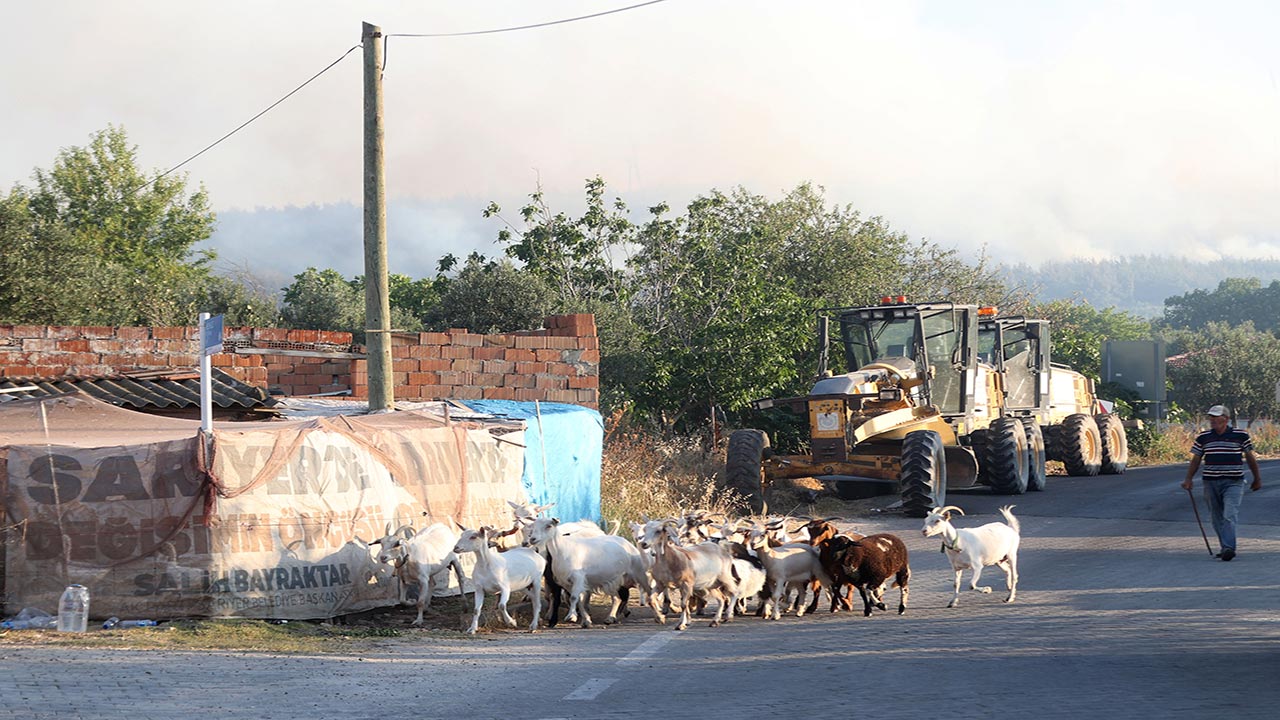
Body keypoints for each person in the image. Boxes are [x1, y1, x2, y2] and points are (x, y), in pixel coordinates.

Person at [1181, 404, 1263, 561]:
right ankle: (1225, 546)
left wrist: (1257, 478)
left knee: (1229, 514)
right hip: (1211, 482)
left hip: (1234, 482)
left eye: (1216, 417)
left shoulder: (1240, 436)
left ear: (1226, 419)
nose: (1213, 421)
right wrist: (1188, 479)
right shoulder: (1204, 437)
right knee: (1216, 516)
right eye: (1211, 418)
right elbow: (1196, 459)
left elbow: (1250, 457)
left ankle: (1228, 547)